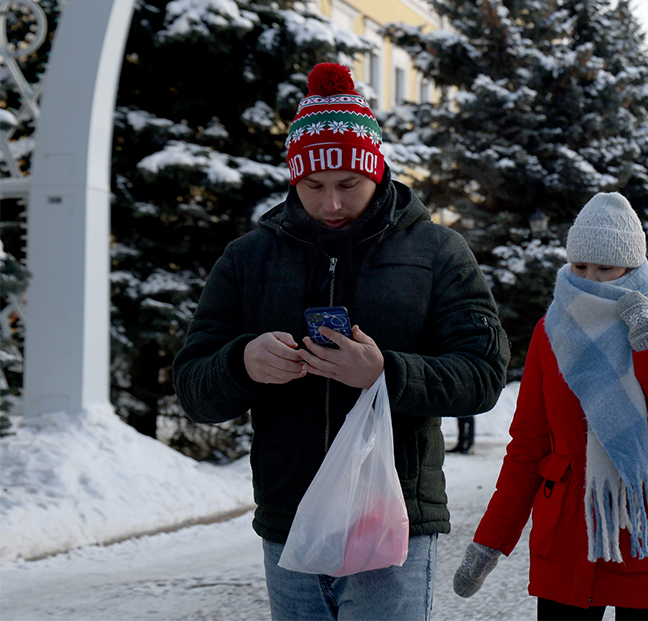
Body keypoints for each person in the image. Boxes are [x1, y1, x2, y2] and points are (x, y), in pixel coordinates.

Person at [174, 63, 510, 621]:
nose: (331, 203)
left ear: (376, 172)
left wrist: (386, 374)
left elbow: (482, 375)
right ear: (294, 180)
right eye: (314, 186)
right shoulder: (248, 258)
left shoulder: (437, 252)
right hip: (291, 522)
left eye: (348, 185)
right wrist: (242, 362)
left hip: (392, 521)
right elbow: (193, 387)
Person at [452, 192, 648, 620]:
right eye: (580, 267)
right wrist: (490, 542)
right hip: (568, 540)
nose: (590, 280)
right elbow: (528, 445)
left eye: (605, 269)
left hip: (647, 539)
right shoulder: (552, 331)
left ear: (632, 266)